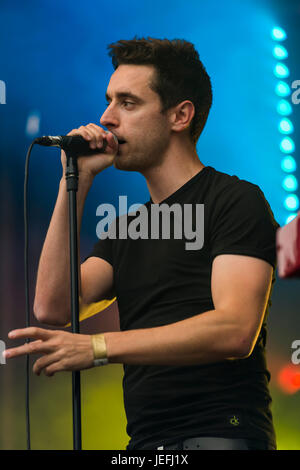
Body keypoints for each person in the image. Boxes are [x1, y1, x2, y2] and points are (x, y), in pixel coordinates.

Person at [5, 38, 279, 450]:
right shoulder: (129, 227)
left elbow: (235, 330)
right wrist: (73, 184)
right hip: (146, 444)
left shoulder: (235, 200)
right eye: (109, 101)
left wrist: (97, 347)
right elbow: (53, 306)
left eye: (127, 103)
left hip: (222, 433)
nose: (106, 118)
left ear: (180, 115)